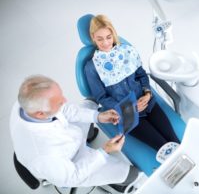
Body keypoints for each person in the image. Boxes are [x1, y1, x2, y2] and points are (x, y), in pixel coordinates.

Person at [10, 75, 139, 190]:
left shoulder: (26, 103)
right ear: (40, 114)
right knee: (132, 174)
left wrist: (97, 116)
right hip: (72, 164)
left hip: (69, 137)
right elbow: (74, 176)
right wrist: (104, 151)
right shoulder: (44, 156)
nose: (65, 100)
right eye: (60, 102)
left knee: (91, 102)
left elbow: (66, 110)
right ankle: (113, 183)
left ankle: (88, 135)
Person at [84, 14, 180, 151]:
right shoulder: (91, 67)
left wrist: (147, 93)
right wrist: (130, 107)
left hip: (148, 103)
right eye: (100, 39)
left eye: (108, 37)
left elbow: (141, 75)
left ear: (113, 34)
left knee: (174, 140)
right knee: (163, 147)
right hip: (127, 114)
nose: (105, 43)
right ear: (93, 37)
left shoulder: (126, 51)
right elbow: (101, 97)